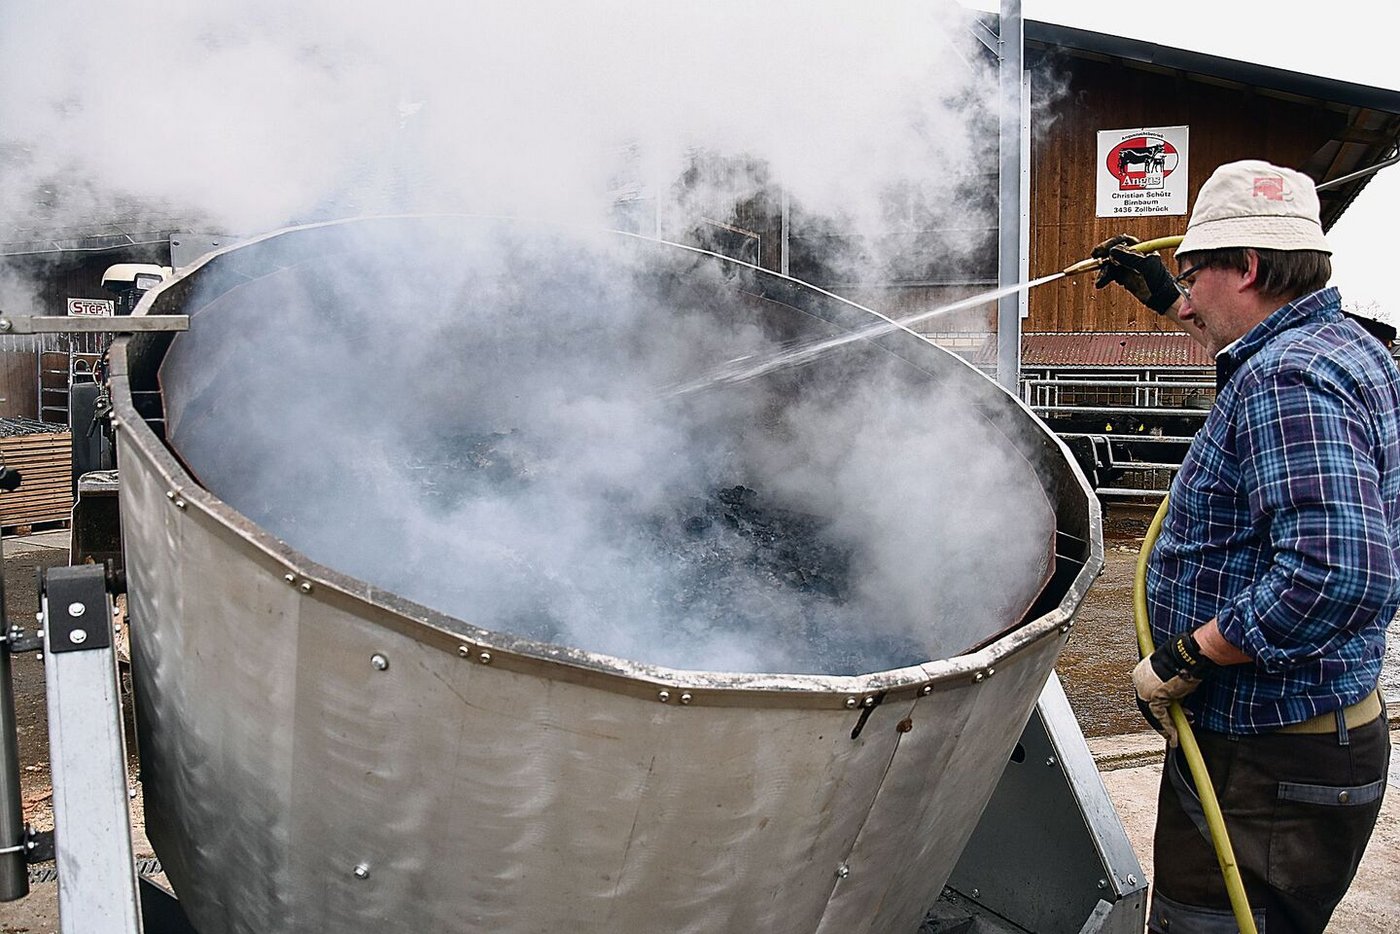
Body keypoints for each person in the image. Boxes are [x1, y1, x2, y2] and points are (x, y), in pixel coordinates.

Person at [1093, 159, 1400, 934]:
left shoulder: (1287, 380)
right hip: (1303, 744)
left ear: (1251, 267)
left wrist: (1188, 656)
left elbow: (1337, 574)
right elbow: (1240, 325)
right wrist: (1166, 293)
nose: (1185, 297)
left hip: (1269, 766)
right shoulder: (1341, 345)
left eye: (1193, 277)